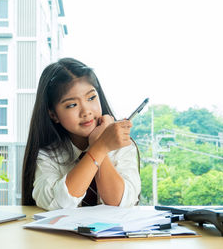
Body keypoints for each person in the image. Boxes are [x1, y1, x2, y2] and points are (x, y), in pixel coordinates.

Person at [22, 58, 141, 211]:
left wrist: (101, 146)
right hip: (61, 235)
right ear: (53, 115)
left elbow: (120, 203)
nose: (86, 111)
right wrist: (99, 148)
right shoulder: (47, 155)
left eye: (91, 98)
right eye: (72, 105)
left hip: (113, 234)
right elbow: (58, 204)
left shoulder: (121, 145)